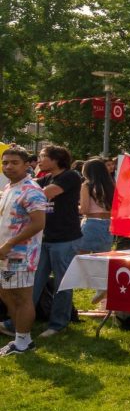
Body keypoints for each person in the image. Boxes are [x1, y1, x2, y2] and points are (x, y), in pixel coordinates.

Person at [31, 145, 84, 338]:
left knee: (63, 283)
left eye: (43, 156)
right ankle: (18, 321)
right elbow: (29, 186)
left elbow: (44, 193)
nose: (39, 160)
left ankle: (58, 324)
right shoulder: (46, 177)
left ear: (56, 159)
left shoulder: (70, 176)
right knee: (35, 281)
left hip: (65, 239)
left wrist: (28, 190)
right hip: (45, 237)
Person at [0, 147, 48, 356]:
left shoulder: (32, 189)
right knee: (6, 293)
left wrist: (10, 244)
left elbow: (39, 223)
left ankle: (23, 342)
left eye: (14, 162)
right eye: (5, 162)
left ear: (27, 164)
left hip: (20, 255)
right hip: (5, 255)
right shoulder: (10, 187)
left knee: (22, 297)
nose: (8, 166)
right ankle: (22, 338)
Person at [78, 157, 115, 254]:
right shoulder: (111, 185)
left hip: (92, 223)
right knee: (102, 259)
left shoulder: (87, 185)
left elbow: (84, 209)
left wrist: (73, 207)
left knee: (82, 258)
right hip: (109, 224)